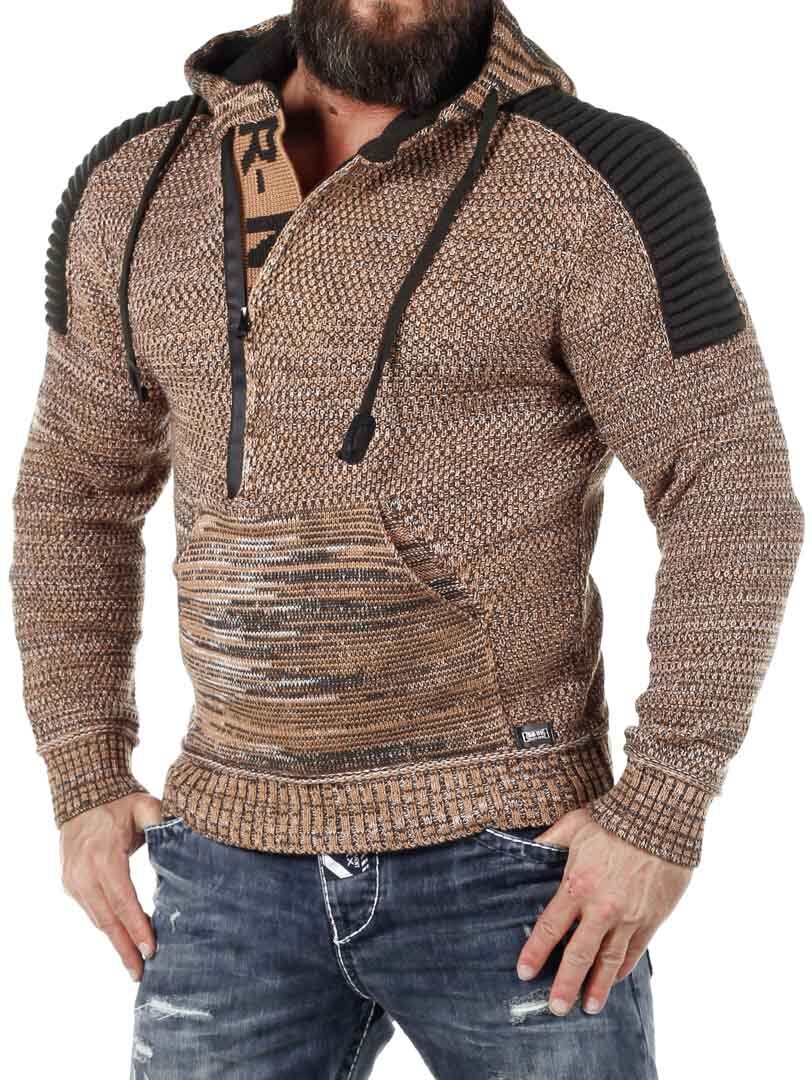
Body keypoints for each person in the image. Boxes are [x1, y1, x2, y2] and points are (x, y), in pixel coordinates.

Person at [10, 2, 803, 1077]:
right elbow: (74, 493)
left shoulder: (594, 179)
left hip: (519, 859)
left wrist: (662, 811)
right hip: (227, 864)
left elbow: (731, 488)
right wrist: (82, 773)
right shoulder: (137, 181)